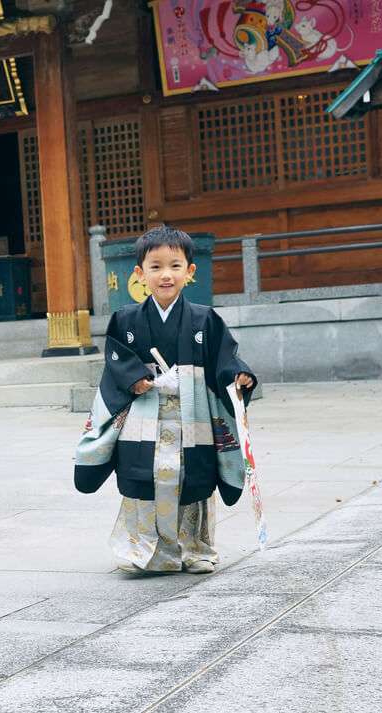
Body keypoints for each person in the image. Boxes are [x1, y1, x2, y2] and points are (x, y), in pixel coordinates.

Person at [74, 226, 257, 575]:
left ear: (190, 271)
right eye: (155, 267)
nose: (165, 275)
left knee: (194, 478)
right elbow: (116, 357)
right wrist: (135, 379)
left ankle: (196, 549)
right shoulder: (126, 319)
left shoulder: (206, 319)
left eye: (175, 266)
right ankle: (144, 551)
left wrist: (237, 376)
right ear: (140, 274)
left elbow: (225, 358)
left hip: (193, 415)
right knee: (143, 479)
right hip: (145, 415)